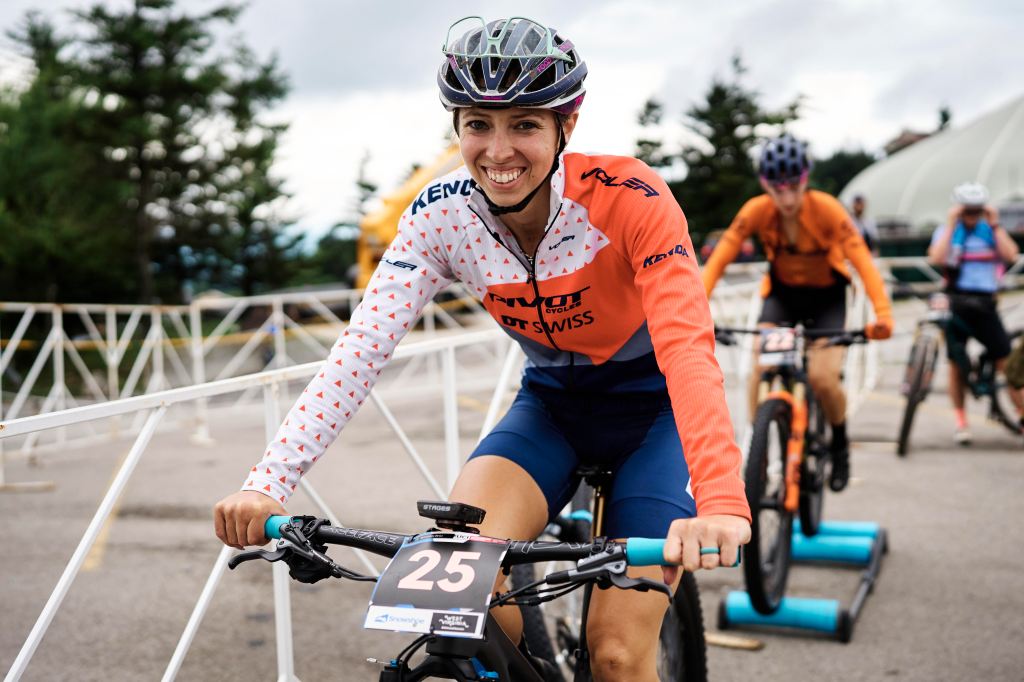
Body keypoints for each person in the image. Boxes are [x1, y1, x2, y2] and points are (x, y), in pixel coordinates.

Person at [213, 16, 750, 681]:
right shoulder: (440, 217)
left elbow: (688, 348)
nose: (498, 151)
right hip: (551, 412)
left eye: (524, 124)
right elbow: (359, 351)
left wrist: (721, 502)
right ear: (456, 128)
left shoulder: (629, 199)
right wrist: (267, 484)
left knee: (616, 655)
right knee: (454, 605)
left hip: (656, 420)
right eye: (477, 124)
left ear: (566, 126)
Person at [702, 133, 894, 492]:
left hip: (827, 298)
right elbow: (720, 258)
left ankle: (839, 443)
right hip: (783, 295)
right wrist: (696, 308)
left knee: (822, 378)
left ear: (805, 179)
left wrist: (882, 314)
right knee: (761, 366)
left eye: (793, 187)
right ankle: (760, 450)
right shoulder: (756, 210)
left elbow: (862, 260)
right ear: (765, 185)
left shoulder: (828, 209)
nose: (787, 198)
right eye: (778, 189)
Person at [927, 181, 1023, 445]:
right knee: (956, 364)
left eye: (976, 210)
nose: (971, 215)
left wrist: (994, 224)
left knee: (1007, 363)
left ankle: (1021, 413)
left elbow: (1011, 254)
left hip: (985, 303)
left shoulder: (990, 230)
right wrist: (951, 224)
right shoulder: (948, 231)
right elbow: (936, 257)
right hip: (956, 301)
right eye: (967, 210)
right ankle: (961, 421)